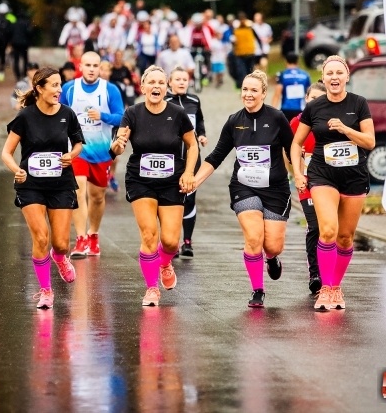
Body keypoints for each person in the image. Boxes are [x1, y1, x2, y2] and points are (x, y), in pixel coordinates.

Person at [193, 71, 294, 308]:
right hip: (244, 186)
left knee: (272, 245)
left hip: (275, 189)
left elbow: (292, 150)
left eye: (253, 90)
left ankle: (272, 258)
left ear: (263, 93)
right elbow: (216, 156)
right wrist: (194, 182)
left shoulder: (277, 118)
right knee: (253, 237)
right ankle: (258, 290)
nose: (248, 94)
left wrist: (300, 175)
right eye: (245, 90)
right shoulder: (234, 121)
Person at [290, 55, 375, 312]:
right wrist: (298, 173)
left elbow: (370, 142)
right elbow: (296, 143)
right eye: (330, 73)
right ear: (323, 78)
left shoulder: (359, 103)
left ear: (347, 76)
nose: (334, 77)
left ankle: (336, 286)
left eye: (339, 73)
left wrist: (346, 130)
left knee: (345, 237)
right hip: (322, 175)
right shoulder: (314, 107)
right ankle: (326, 288)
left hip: (353, 176)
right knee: (327, 231)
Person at [110, 65, 198, 306]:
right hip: (140, 180)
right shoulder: (132, 113)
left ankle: (165, 263)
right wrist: (118, 143)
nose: (156, 86)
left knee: (170, 242)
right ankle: (151, 289)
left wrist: (189, 172)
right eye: (152, 82)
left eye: (161, 83)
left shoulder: (177, 113)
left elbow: (192, 145)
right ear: (143, 87)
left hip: (171, 180)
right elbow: (116, 148)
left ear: (166, 87)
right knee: (149, 234)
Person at [1, 67, 85, 310]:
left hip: (60, 184)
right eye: (55, 85)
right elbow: (6, 152)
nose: (59, 90)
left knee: (61, 244)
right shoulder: (25, 116)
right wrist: (16, 169)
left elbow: (78, 143)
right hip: (31, 185)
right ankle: (46, 290)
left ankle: (59, 258)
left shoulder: (67, 114)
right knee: (40, 237)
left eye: (61, 85)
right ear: (39, 88)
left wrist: (71, 155)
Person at [60, 52, 124, 258]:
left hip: (101, 151)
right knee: (78, 191)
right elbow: (57, 112)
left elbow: (121, 117)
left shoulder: (110, 89)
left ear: (100, 68)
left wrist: (102, 116)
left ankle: (93, 234)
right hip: (77, 150)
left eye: (95, 66)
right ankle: (80, 239)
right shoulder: (69, 88)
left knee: (97, 196)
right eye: (87, 65)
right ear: (81, 66)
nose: (91, 69)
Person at [289, 82, 328, 294]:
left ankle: (328, 272)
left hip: (329, 180)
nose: (315, 103)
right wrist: (295, 173)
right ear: (306, 99)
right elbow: (288, 152)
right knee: (314, 225)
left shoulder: (331, 122)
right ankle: (315, 274)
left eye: (320, 99)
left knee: (328, 227)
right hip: (306, 181)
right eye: (312, 98)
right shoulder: (296, 123)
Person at [165, 67, 207, 258]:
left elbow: (200, 121)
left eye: (185, 79)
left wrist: (202, 135)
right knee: (171, 199)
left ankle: (187, 242)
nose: (182, 82)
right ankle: (170, 241)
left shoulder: (194, 100)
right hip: (171, 158)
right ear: (170, 82)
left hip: (192, 156)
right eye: (178, 79)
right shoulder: (164, 101)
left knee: (189, 197)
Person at [272, 53, 311, 121]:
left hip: (286, 109)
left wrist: (272, 112)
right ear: (297, 61)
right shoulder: (305, 75)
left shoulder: (282, 74)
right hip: (301, 109)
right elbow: (309, 93)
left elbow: (277, 94)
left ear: (286, 61)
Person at [231, 13, 261, 88]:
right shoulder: (243, 28)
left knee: (246, 71)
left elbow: (233, 41)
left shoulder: (247, 28)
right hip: (243, 53)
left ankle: (247, 86)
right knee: (244, 71)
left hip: (246, 53)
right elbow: (233, 40)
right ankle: (246, 86)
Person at [10, 13, 32, 80]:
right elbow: (29, 33)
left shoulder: (14, 24)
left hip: (15, 44)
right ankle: (24, 75)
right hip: (24, 44)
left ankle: (18, 75)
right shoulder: (26, 23)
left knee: (16, 60)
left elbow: (10, 33)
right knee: (25, 59)